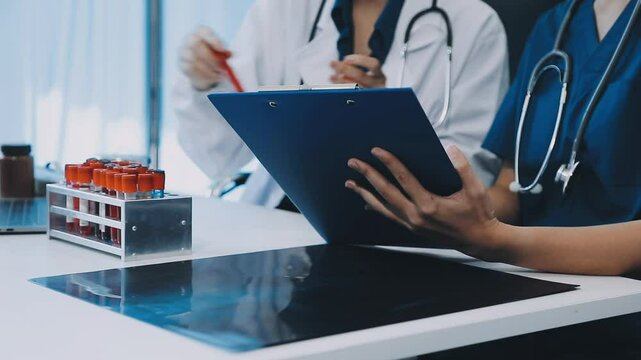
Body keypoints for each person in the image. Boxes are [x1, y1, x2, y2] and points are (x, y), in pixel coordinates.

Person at [345, 0, 641, 276]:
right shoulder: (555, 26)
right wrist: (444, 210)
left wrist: (497, 240)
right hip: (538, 279)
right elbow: (510, 189)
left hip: (623, 297)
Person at [173, 0, 510, 210]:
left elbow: (471, 179)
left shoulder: (474, 23)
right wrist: (206, 81)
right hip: (283, 225)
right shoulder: (284, 9)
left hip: (407, 237)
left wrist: (384, 117)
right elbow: (223, 154)